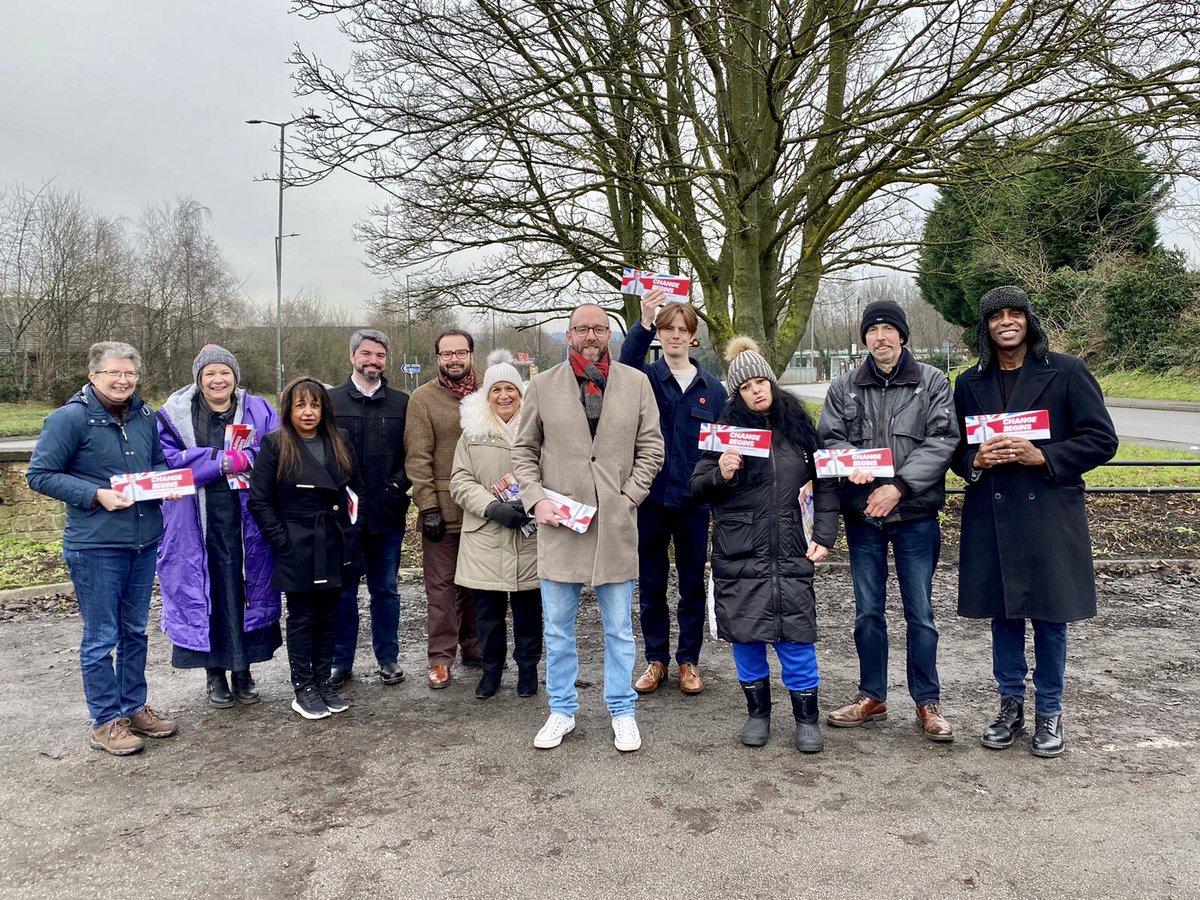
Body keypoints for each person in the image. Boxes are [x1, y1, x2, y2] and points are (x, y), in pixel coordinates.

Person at [952, 286, 1118, 758]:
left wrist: (1043, 455)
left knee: (1049, 615)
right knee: (1003, 615)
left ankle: (1050, 710)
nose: (1006, 322)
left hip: (1048, 511)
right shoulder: (969, 382)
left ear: (1028, 321)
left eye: (1015, 314)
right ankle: (1010, 705)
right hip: (992, 513)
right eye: (996, 316)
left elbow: (1102, 440)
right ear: (984, 328)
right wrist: (974, 459)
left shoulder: (1067, 372)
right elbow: (956, 450)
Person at [512, 303, 664, 752]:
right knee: (557, 629)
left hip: (616, 526)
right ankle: (561, 709)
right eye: (582, 328)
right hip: (561, 526)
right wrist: (536, 499)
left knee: (618, 628)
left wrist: (629, 496)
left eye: (599, 328)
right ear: (568, 334)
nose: (591, 335)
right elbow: (523, 452)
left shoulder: (636, 384)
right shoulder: (541, 386)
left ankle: (622, 711)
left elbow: (651, 449)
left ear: (610, 334)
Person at [27, 342, 178, 755]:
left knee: (135, 632)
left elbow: (159, 463)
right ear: (93, 376)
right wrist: (94, 494)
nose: (123, 380)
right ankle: (105, 721)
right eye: (114, 373)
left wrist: (168, 484)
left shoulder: (145, 415)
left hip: (143, 541)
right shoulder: (69, 419)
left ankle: (133, 708)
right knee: (101, 638)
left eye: (129, 374)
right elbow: (39, 475)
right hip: (96, 546)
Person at [818, 300, 959, 742]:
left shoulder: (932, 382)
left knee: (921, 613)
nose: (880, 337)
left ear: (902, 335)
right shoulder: (844, 386)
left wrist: (898, 486)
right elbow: (829, 439)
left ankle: (927, 702)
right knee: (867, 612)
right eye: (872, 330)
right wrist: (849, 464)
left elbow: (942, 441)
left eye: (887, 329)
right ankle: (871, 696)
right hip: (863, 519)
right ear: (864, 339)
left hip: (915, 515)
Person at [690, 338, 839, 752]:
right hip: (740, 551)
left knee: (796, 637)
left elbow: (825, 484)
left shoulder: (800, 430)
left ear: (772, 383)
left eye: (762, 381)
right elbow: (697, 487)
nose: (757, 390)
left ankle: (806, 719)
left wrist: (824, 534)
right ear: (736, 394)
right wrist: (721, 471)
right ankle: (758, 713)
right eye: (746, 386)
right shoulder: (724, 435)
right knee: (748, 638)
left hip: (792, 546)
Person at [156, 345, 282, 708]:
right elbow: (169, 463)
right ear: (198, 378)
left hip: (245, 520)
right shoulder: (173, 415)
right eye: (209, 373)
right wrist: (225, 461)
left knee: (243, 590)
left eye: (224, 372)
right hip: (196, 522)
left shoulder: (258, 408)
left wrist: (249, 456)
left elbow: (277, 449)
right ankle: (215, 673)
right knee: (207, 594)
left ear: (235, 377)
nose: (217, 379)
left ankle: (243, 671)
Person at [619, 289, 727, 696]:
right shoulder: (644, 378)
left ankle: (688, 661)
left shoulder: (713, 389)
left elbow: (723, 447)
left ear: (693, 336)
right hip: (649, 499)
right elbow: (621, 367)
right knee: (651, 584)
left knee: (691, 587)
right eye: (667, 329)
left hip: (694, 504)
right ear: (660, 334)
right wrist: (644, 323)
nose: (675, 336)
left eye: (682, 330)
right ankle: (656, 660)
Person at [248, 377, 361, 721]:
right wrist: (283, 540)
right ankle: (303, 687)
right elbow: (259, 501)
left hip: (334, 540)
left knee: (330, 615)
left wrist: (351, 532)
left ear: (324, 407)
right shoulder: (275, 445)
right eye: (300, 405)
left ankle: (323, 681)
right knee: (302, 618)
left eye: (315, 404)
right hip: (298, 543)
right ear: (288, 409)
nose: (308, 412)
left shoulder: (339, 440)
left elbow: (354, 489)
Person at [449, 350, 542, 699]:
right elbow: (460, 481)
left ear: (521, 394)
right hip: (486, 535)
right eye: (496, 390)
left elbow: (552, 472)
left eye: (511, 390)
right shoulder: (471, 434)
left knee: (528, 612)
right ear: (486, 395)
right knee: (487, 615)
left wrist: (532, 499)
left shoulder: (537, 428)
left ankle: (528, 670)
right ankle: (491, 671)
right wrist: (491, 507)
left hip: (528, 535)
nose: (504, 396)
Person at [328, 329, 411, 689]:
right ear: (351, 357)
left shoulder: (402, 403)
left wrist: (398, 485)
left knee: (385, 590)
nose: (372, 361)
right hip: (342, 516)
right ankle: (339, 660)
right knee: (343, 592)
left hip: (387, 512)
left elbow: (415, 452)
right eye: (366, 354)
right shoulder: (330, 402)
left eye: (379, 355)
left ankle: (388, 658)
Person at [405, 330, 484, 688]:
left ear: (471, 354)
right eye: (446, 353)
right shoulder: (423, 399)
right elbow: (418, 457)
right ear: (437, 357)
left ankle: (475, 645)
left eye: (461, 352)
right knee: (441, 588)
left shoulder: (491, 390)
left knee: (478, 587)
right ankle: (440, 657)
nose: (454, 359)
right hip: (444, 507)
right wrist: (428, 506)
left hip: (485, 507)